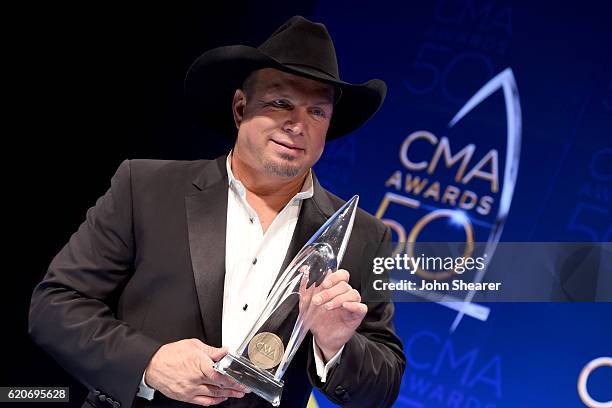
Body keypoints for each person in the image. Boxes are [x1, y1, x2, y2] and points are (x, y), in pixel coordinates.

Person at [29, 15, 405, 408]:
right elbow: (55, 306)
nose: (298, 125)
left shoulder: (360, 236)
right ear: (240, 107)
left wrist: (335, 344)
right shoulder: (145, 187)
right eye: (281, 103)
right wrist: (149, 363)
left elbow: (384, 385)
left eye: (317, 112)